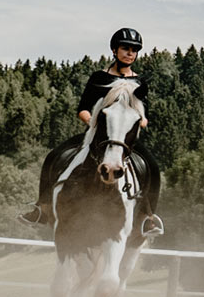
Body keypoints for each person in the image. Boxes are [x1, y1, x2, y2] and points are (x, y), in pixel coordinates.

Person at [20, 27, 164, 237]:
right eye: (125, 48)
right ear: (114, 50)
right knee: (53, 156)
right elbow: (83, 109)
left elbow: (144, 116)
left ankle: (148, 217)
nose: (130, 53)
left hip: (124, 138)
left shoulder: (139, 83)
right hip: (97, 134)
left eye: (134, 50)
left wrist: (138, 121)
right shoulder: (99, 77)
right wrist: (94, 123)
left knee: (152, 166)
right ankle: (42, 208)